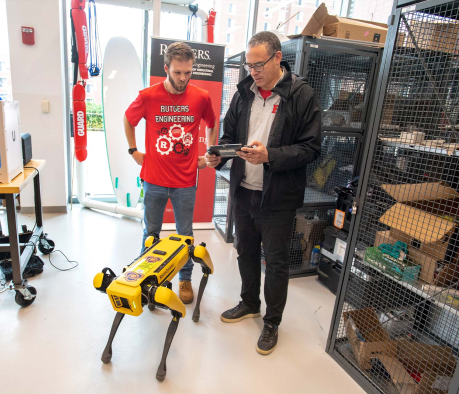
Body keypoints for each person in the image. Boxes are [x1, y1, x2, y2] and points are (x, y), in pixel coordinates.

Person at [205, 31, 321, 355]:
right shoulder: (244, 94)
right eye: (248, 65)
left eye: (259, 64)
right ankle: (249, 303)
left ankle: (271, 322)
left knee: (277, 261)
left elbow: (311, 149)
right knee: (245, 252)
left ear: (278, 57)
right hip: (243, 190)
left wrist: (271, 156)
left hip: (278, 197)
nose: (252, 71)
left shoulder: (301, 95)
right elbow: (229, 134)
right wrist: (219, 157)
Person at [124, 42, 216, 304]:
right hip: (153, 179)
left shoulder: (200, 97)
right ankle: (147, 281)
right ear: (166, 68)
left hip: (185, 181)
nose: (183, 78)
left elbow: (211, 124)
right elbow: (128, 120)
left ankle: (184, 278)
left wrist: (208, 153)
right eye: (177, 72)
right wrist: (133, 150)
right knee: (150, 233)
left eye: (188, 72)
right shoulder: (148, 96)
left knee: (185, 235)